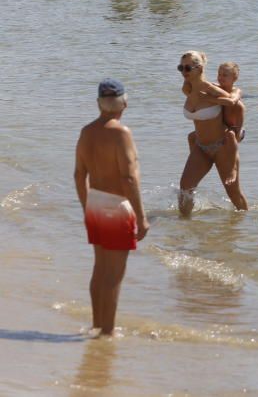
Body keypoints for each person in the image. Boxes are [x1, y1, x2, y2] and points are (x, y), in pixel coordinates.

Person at [73, 78, 149, 336]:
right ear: (123, 102)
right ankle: (107, 331)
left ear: (99, 103)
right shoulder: (121, 133)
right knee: (114, 274)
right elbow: (128, 178)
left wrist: (87, 206)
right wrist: (141, 216)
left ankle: (96, 324)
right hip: (117, 206)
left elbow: (78, 175)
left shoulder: (86, 132)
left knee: (100, 269)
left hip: (95, 202)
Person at [177, 51, 247, 216]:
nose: (183, 72)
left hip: (222, 146)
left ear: (199, 68)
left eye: (187, 68)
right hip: (201, 148)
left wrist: (237, 131)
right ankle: (184, 227)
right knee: (185, 189)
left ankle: (246, 226)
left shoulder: (211, 89)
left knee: (234, 194)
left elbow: (237, 104)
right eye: (180, 67)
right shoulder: (187, 88)